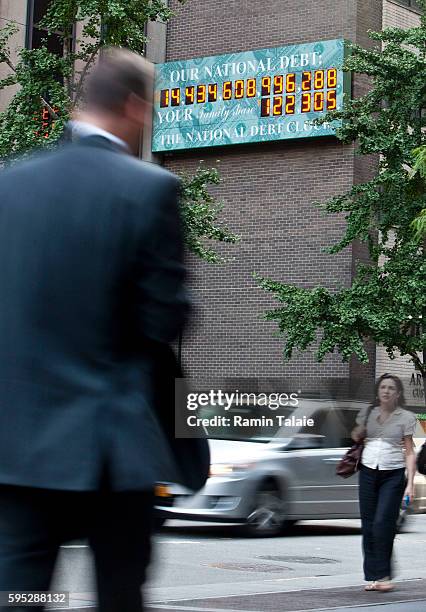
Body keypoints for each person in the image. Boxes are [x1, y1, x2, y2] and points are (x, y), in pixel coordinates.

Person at [0, 48, 189, 611]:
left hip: (18, 447)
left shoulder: (11, 186)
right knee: (119, 593)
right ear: (133, 105)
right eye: (148, 112)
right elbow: (162, 321)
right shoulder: (149, 189)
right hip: (110, 447)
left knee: (22, 593)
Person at [351, 373, 417, 592]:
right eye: (383, 387)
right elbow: (355, 436)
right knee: (369, 526)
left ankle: (385, 573)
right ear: (378, 392)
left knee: (382, 524)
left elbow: (409, 451)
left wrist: (410, 483)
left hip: (393, 474)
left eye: (390, 388)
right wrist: (358, 432)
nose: (386, 391)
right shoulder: (368, 412)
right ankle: (374, 577)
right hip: (368, 472)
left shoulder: (406, 417)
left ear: (397, 394)